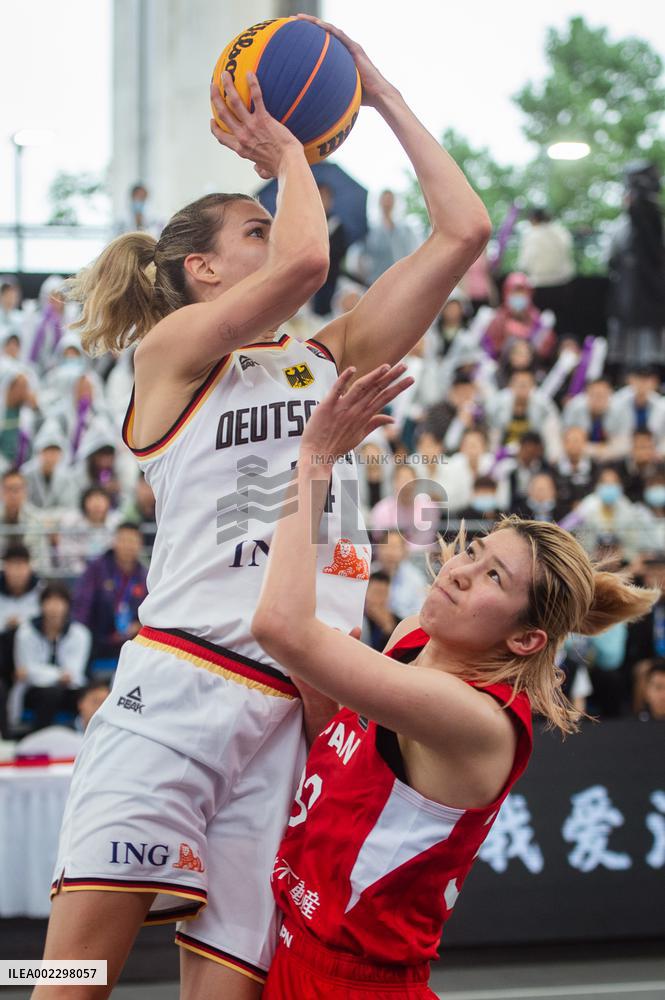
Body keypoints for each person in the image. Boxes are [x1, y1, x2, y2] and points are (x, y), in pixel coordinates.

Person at [37, 19, 490, 999]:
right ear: (202, 270)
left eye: (274, 209)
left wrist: (383, 97)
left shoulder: (323, 356)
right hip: (181, 688)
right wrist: (289, 150)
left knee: (232, 990)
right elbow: (302, 264)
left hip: (294, 706)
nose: (278, 224)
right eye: (253, 223)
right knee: (73, 971)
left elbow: (463, 232)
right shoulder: (168, 359)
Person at [250, 363, 658, 999]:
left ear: (525, 640)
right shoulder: (416, 632)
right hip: (283, 938)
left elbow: (280, 626)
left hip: (355, 984)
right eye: (476, 552)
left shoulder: (476, 720)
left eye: (495, 577)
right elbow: (348, 746)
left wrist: (314, 459)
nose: (463, 570)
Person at [13, 582, 92, 733]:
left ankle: (85, 739)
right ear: (42, 605)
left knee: (90, 695)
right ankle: (38, 739)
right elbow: (25, 672)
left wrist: (39, 672)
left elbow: (74, 673)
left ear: (67, 605)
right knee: (50, 693)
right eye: (50, 601)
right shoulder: (26, 633)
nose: (54, 607)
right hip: (34, 691)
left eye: (59, 601)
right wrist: (58, 675)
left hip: (69, 689)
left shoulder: (80, 633)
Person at [71, 522, 147, 673]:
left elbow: (152, 610)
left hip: (131, 641)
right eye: (124, 540)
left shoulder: (145, 575)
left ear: (140, 545)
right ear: (114, 542)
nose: (128, 546)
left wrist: (138, 625)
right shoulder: (96, 569)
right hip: (98, 639)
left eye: (133, 541)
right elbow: (83, 605)